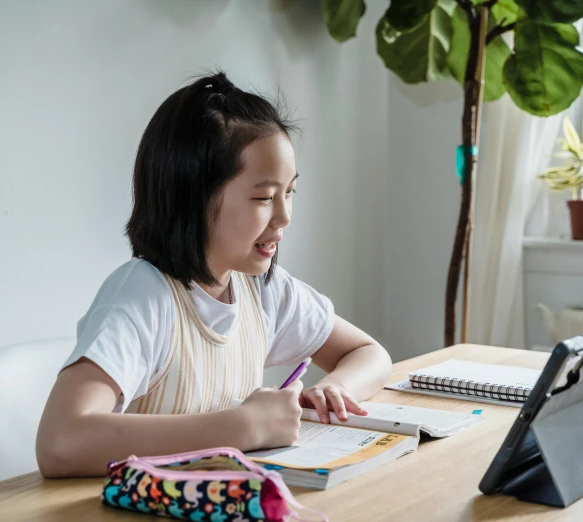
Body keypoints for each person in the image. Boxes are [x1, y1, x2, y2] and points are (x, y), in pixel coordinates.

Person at [36, 71, 392, 477]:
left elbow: (369, 354)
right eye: (263, 197)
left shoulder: (262, 288)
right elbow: (59, 443)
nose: (284, 216)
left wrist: (336, 388)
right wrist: (242, 427)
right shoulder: (142, 297)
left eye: (290, 192)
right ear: (192, 198)